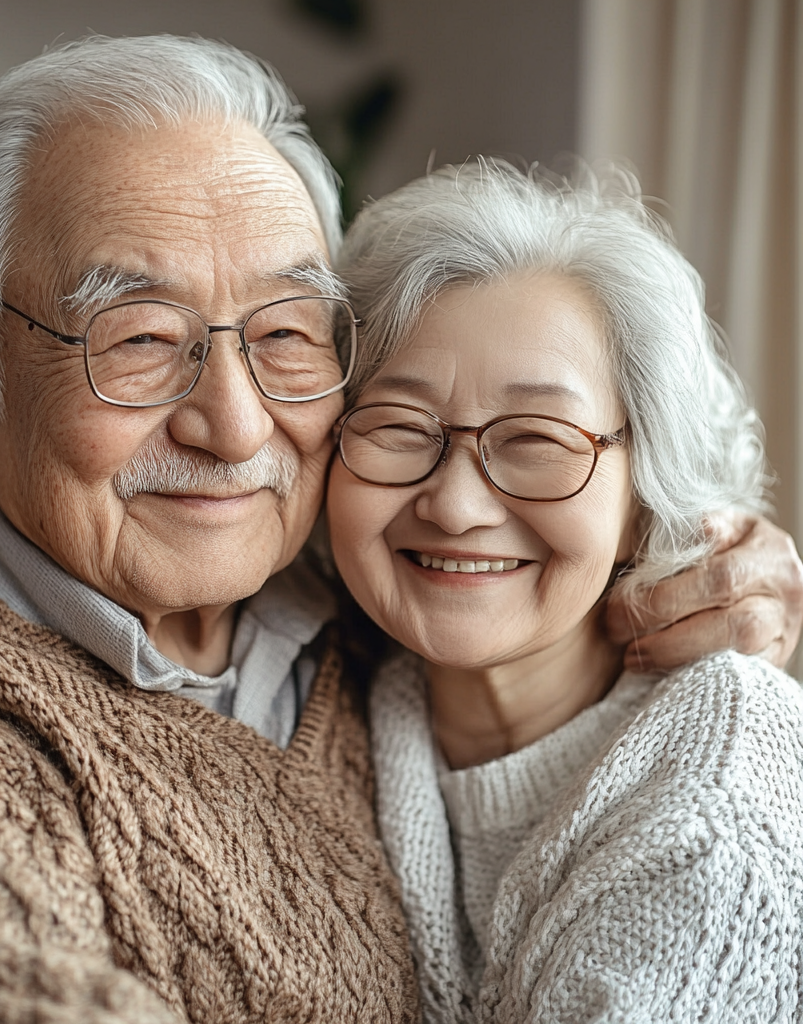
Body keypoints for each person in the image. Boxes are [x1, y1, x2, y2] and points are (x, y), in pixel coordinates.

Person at [0, 35, 799, 1024]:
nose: (233, 425)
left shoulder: (365, 625)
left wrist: (699, 574)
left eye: (283, 335)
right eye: (136, 338)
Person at [326, 160, 803, 1022]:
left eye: (538, 440)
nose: (456, 506)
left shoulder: (714, 781)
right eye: (398, 425)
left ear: (644, 495)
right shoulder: (332, 696)